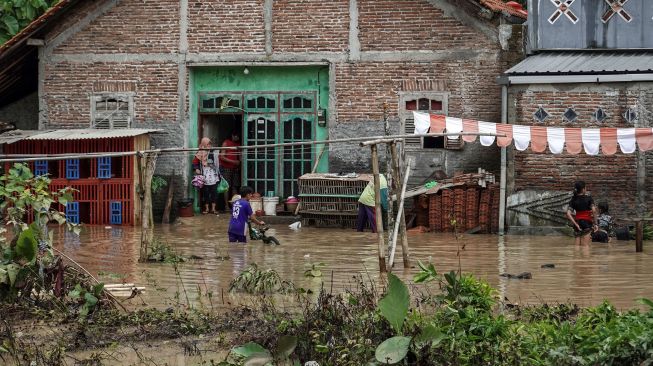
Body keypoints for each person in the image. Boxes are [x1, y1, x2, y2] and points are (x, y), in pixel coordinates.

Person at [193, 137, 221, 214]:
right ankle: (206, 209)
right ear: (203, 144)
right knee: (206, 193)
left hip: (214, 175)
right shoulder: (200, 152)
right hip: (204, 175)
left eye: (210, 144)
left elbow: (218, 162)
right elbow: (195, 162)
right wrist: (196, 169)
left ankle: (213, 209)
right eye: (207, 144)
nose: (209, 145)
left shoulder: (214, 151)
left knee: (214, 192)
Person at [566, 181, 598, 246]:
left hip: (577, 223)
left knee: (577, 246)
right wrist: (596, 223)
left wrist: (575, 224)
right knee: (585, 247)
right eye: (586, 188)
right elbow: (594, 211)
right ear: (583, 189)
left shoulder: (573, 199)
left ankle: (576, 256)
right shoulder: (589, 198)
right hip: (586, 222)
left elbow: (568, 214)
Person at [220, 130, 241, 210]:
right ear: (232, 135)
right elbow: (222, 156)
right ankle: (226, 206)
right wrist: (234, 162)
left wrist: (240, 163)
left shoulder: (238, 144)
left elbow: (240, 156)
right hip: (226, 168)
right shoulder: (226, 143)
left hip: (235, 168)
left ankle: (234, 205)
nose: (237, 138)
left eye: (238, 137)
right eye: (236, 136)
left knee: (235, 187)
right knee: (226, 187)